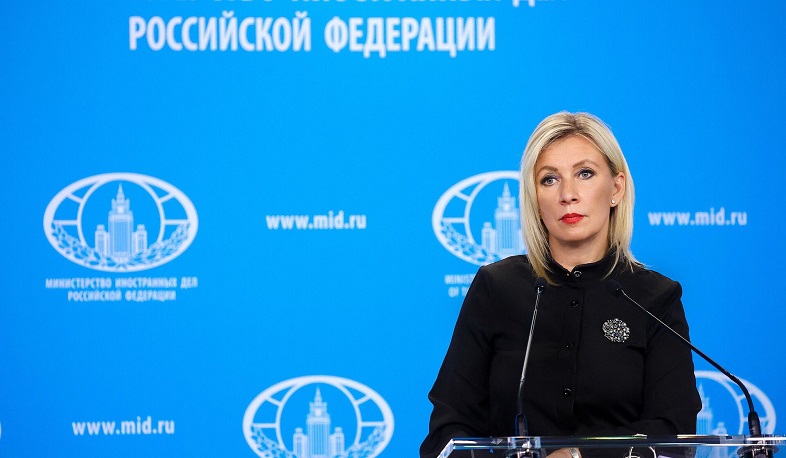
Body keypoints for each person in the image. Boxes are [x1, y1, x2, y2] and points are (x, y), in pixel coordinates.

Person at [420, 112, 701, 458]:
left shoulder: (655, 298)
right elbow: (448, 428)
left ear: (616, 188)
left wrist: (577, 456)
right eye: (549, 179)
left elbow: (673, 431)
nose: (568, 194)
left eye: (585, 174)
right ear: (535, 199)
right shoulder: (496, 288)